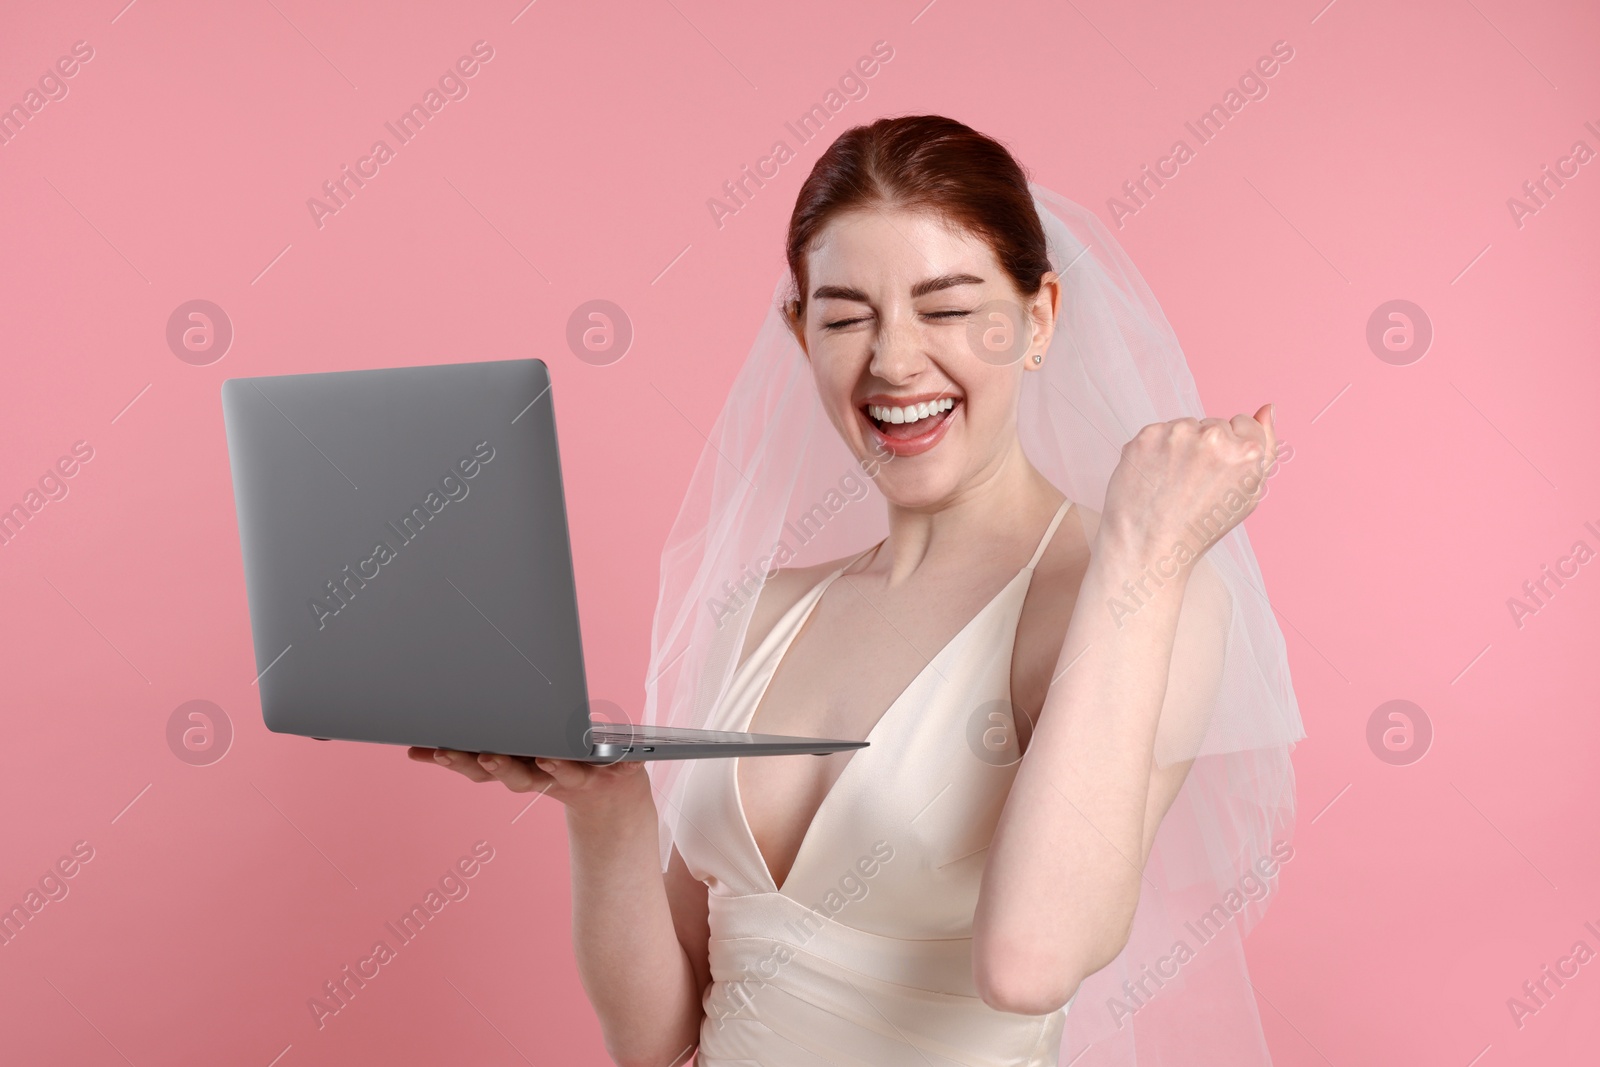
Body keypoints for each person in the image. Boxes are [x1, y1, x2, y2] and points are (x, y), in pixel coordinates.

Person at [412, 115, 1304, 1066]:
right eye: (844, 316)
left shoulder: (1135, 592)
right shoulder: (761, 614)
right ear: (799, 333)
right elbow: (660, 1040)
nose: (892, 362)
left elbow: (1032, 962)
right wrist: (608, 810)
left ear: (1037, 318)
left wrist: (1146, 541)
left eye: (947, 308)